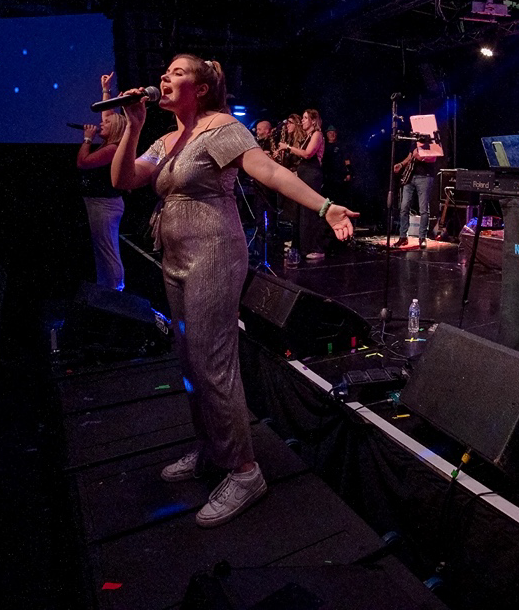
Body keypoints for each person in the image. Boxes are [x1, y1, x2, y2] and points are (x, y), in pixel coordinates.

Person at [110, 55, 357, 528]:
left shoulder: (220, 128)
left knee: (211, 361)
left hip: (215, 253)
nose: (164, 77)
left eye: (177, 73)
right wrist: (133, 126)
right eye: (165, 72)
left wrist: (324, 206)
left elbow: (270, 172)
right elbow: (122, 180)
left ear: (201, 88)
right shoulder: (166, 140)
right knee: (188, 360)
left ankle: (245, 471)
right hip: (175, 256)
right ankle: (211, 448)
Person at [77, 73, 126, 290]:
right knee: (101, 248)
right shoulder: (110, 144)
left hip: (104, 204)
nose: (100, 124)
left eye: (106, 123)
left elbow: (83, 163)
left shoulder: (113, 148)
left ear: (114, 128)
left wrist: (87, 139)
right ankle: (105, 288)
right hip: (99, 203)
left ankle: (116, 288)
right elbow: (108, 112)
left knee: (107, 249)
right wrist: (106, 90)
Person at [277, 110, 327, 262]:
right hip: (304, 175)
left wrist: (287, 147)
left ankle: (315, 248)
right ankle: (300, 246)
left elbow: (307, 154)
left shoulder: (317, 134)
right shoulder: (307, 136)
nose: (302, 121)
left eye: (305, 118)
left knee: (309, 212)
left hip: (312, 175)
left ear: (313, 121)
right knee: (300, 212)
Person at [393, 136, 441, 250]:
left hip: (425, 177)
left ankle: (422, 237)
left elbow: (434, 158)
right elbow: (411, 155)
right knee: (404, 207)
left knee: (423, 209)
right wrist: (401, 164)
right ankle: (403, 236)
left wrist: (421, 157)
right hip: (410, 176)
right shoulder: (415, 139)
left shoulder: (433, 139)